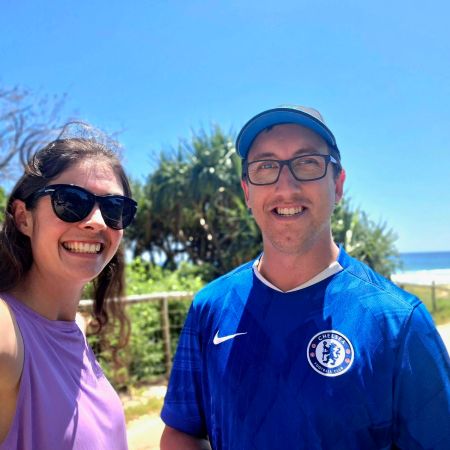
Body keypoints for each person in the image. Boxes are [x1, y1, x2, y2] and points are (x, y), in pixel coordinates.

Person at [160, 106, 450, 449]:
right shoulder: (211, 307)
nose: (286, 187)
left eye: (307, 163)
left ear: (338, 185)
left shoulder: (398, 321)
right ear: (247, 192)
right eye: (265, 166)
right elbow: (181, 432)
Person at [0, 123, 137, 449]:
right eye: (71, 201)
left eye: (114, 208)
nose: (97, 221)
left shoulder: (77, 328)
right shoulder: (7, 333)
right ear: (24, 217)